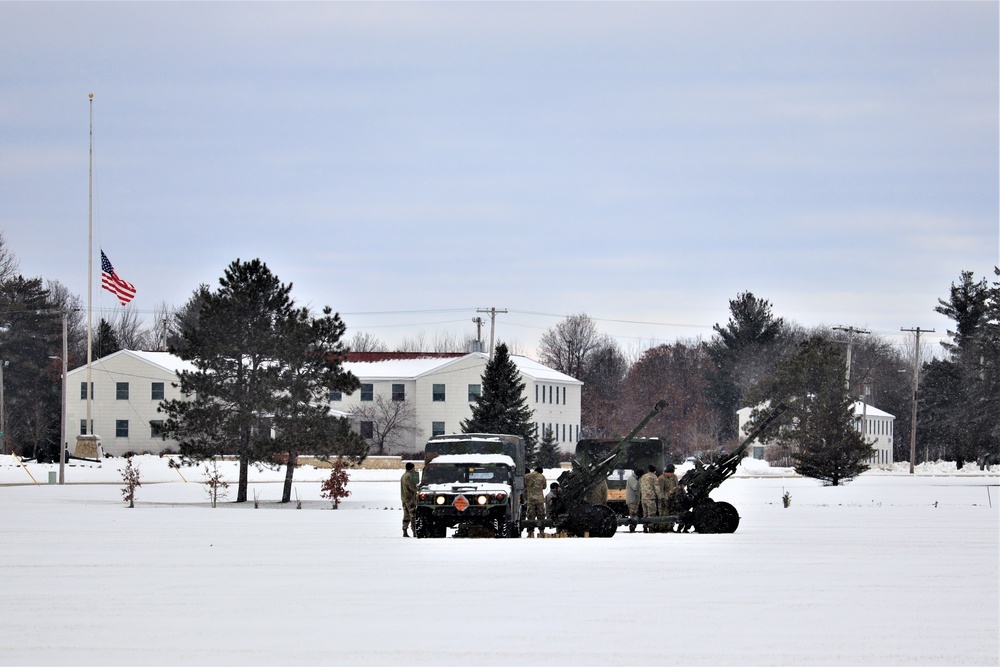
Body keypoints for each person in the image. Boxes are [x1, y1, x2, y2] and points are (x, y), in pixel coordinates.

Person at [523, 466, 547, 537]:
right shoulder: (542, 476)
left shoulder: (527, 476)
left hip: (530, 499)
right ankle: (541, 531)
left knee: (530, 515)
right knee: (541, 515)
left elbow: (524, 485)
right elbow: (544, 487)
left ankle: (530, 532)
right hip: (539, 499)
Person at [657, 463, 679, 530]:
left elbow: (676, 486)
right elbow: (660, 490)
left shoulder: (674, 477)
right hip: (664, 498)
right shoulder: (661, 478)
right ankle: (663, 527)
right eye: (670, 473)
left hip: (672, 499)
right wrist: (663, 498)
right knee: (663, 513)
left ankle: (670, 527)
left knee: (672, 513)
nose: (671, 474)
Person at [400, 462, 419, 537]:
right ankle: (414, 532)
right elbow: (412, 487)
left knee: (406, 515)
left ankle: (405, 531)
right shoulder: (409, 476)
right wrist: (418, 488)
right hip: (410, 499)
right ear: (411, 468)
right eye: (414, 468)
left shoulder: (403, 476)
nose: (414, 469)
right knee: (413, 515)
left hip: (404, 498)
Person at [639, 465, 660, 533]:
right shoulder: (654, 477)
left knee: (645, 513)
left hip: (643, 497)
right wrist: (660, 497)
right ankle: (651, 527)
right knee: (651, 513)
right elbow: (657, 488)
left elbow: (640, 486)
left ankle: (645, 527)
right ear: (654, 471)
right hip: (651, 498)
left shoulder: (643, 477)